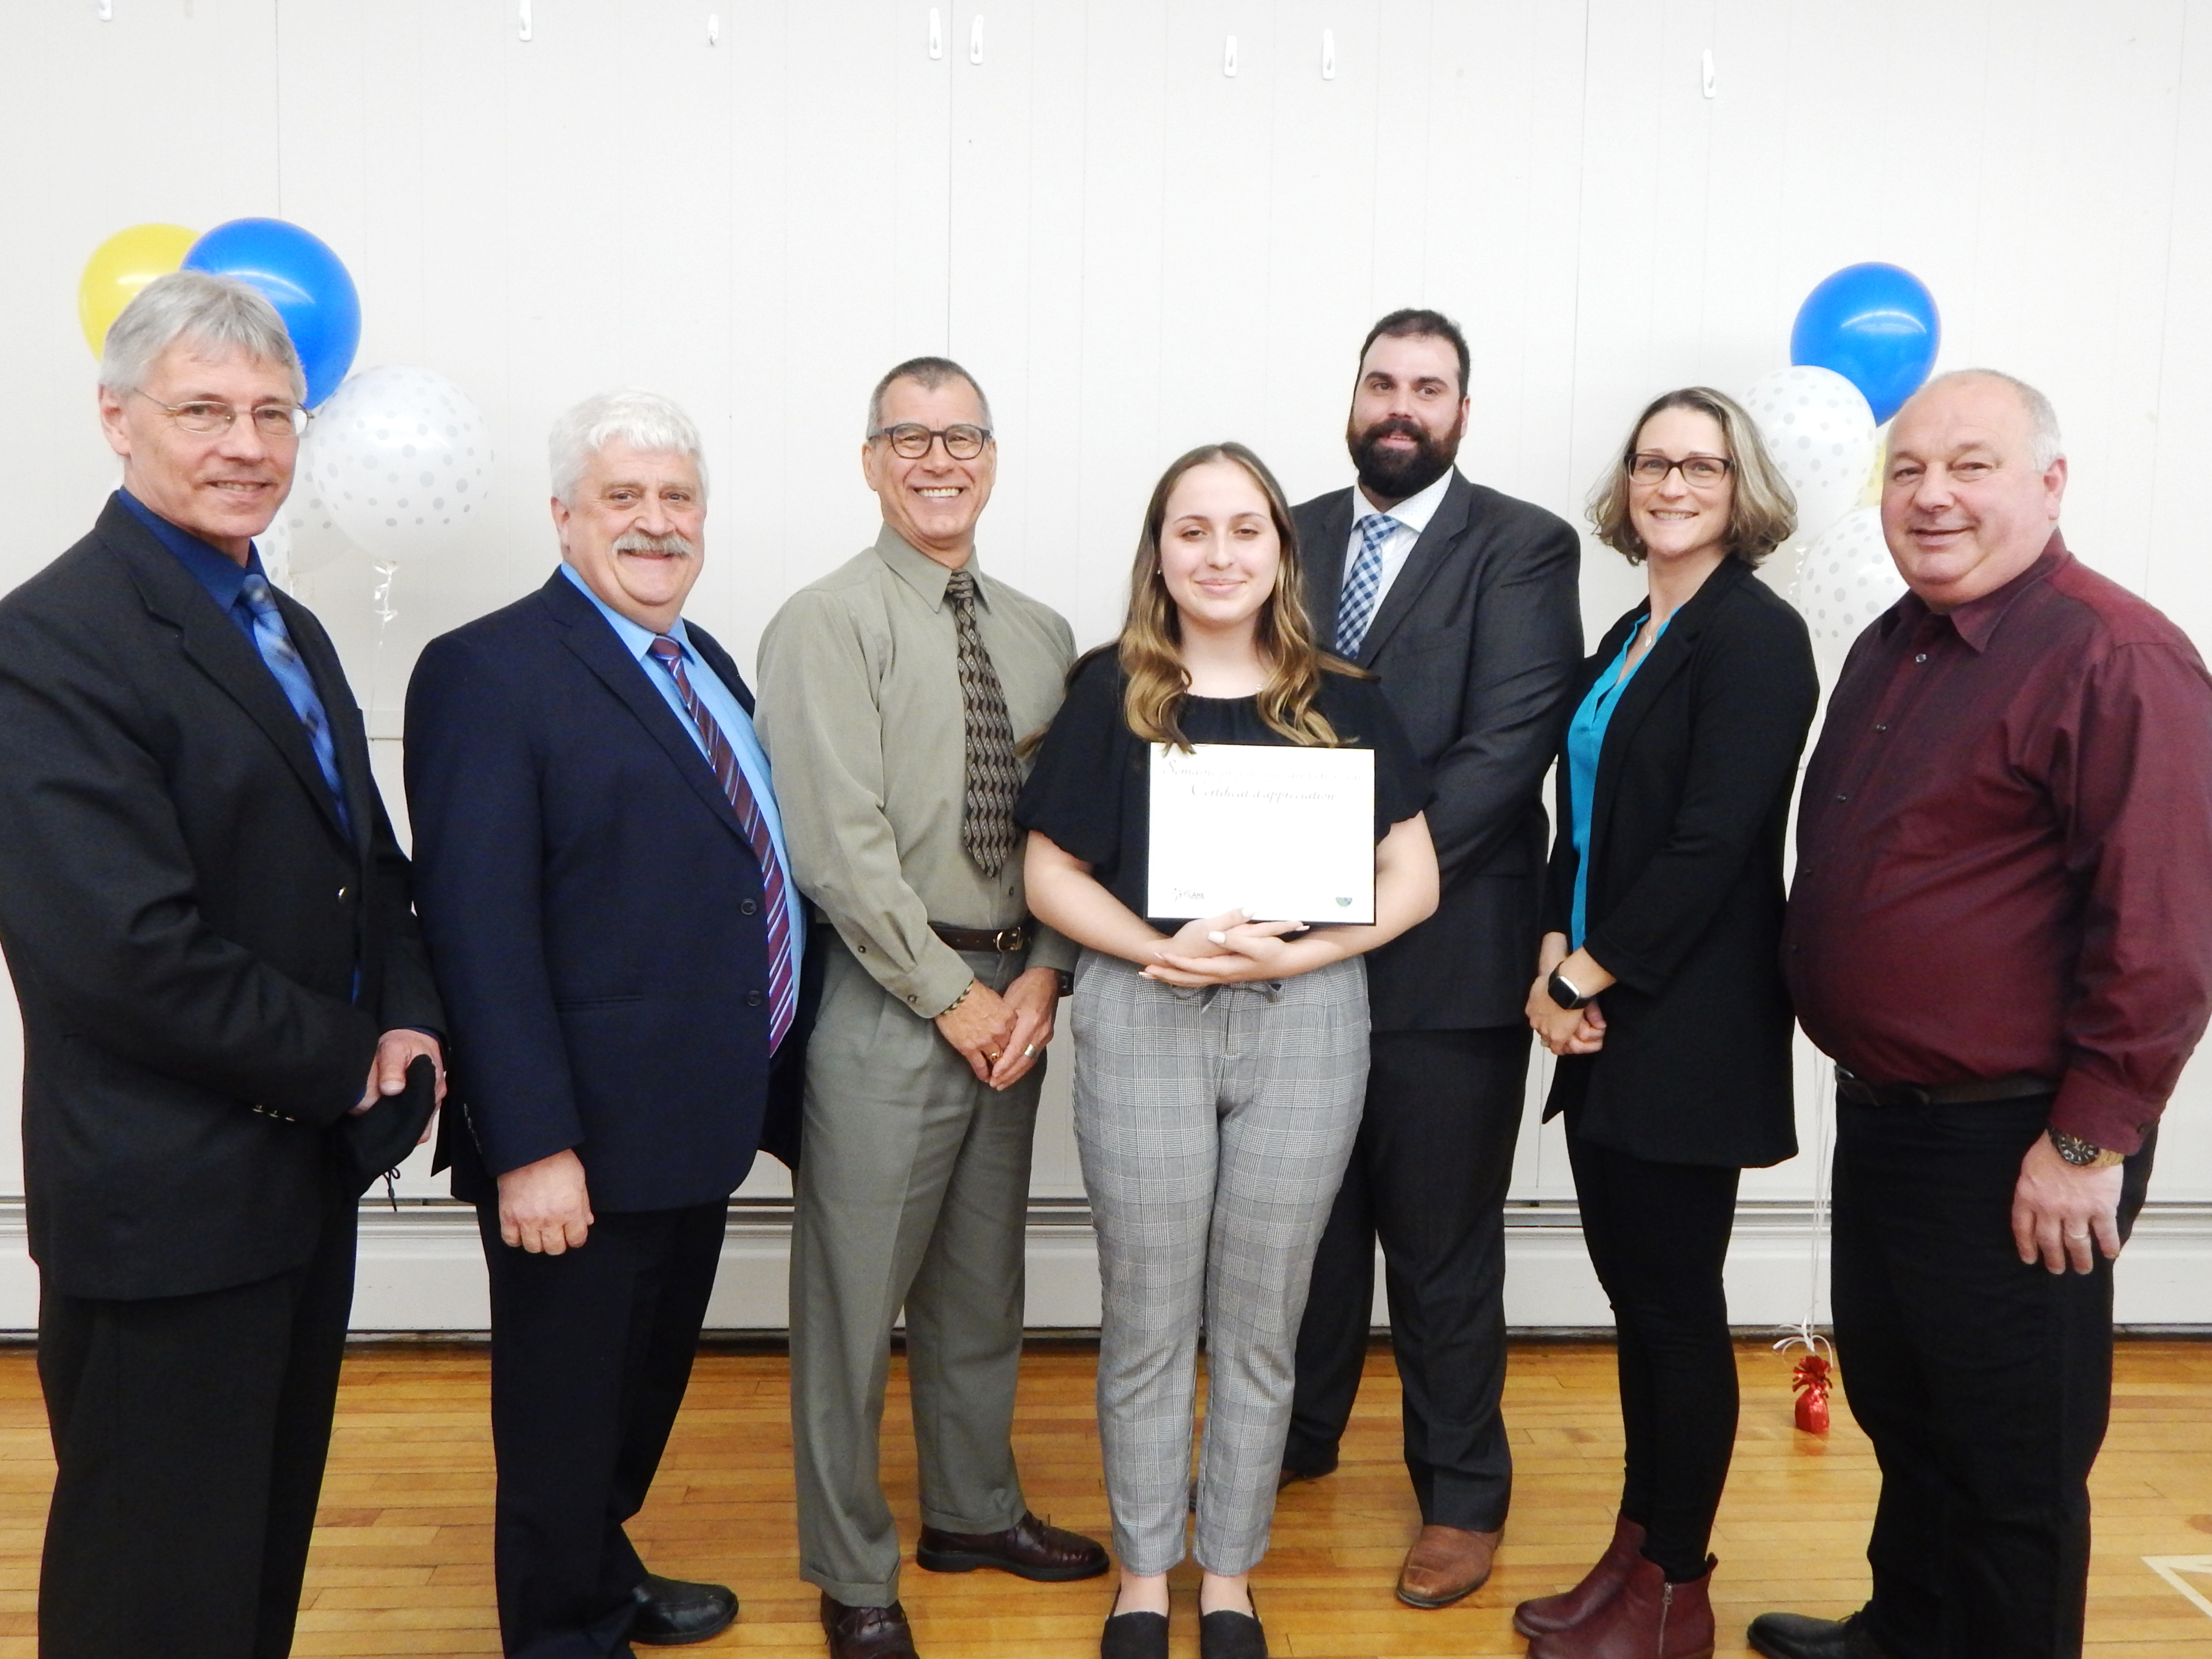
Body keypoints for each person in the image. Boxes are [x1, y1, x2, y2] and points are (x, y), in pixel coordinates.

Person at [0, 271, 445, 1659]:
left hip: (295, 1188)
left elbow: (369, 863)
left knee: (251, 1571)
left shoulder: (284, 624)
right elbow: (122, 954)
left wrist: (412, 1022)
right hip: (166, 1208)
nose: (246, 445)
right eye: (203, 411)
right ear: (117, 419)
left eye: (273, 413)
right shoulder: (48, 642)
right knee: (151, 1594)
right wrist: (349, 1057)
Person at [1755, 371, 2212, 1659]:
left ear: (2051, 485)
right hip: (1890, 1120)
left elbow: (2163, 930)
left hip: (2022, 1141)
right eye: (1907, 469)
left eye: (1971, 465)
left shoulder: (2116, 656)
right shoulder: (1891, 643)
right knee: (1909, 1415)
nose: (1932, 495)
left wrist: (2086, 1144)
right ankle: (1906, 1633)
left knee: (2013, 1465)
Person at [406, 390, 809, 1658]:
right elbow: (476, 927)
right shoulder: (488, 670)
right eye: (622, 497)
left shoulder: (706, 664)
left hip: (695, 1122)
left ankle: (601, 1571)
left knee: (632, 1403)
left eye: (677, 497)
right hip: (576, 1140)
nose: (655, 522)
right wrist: (530, 1143)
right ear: (564, 517)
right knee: (564, 1419)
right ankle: (560, 1628)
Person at [1022, 442, 1440, 1659]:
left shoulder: (1345, 698)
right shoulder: (1110, 692)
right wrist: (1162, 947)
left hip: (1307, 1024)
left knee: (1262, 1319)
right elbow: (1050, 873)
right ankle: (1144, 1576)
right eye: (1192, 530)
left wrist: (1295, 958)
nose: (1219, 554)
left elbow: (1414, 878)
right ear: (1159, 553)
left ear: (1279, 551)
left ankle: (1230, 1576)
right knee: (1149, 1313)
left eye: (1245, 529)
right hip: (1143, 1011)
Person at [755, 357, 1108, 1659]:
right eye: (909, 438)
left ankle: (971, 1510)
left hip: (1015, 996)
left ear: (994, 458)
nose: (938, 460)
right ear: (870, 462)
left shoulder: (1042, 633)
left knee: (979, 1285)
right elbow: (837, 848)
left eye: (963, 437)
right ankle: (853, 1567)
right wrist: (952, 996)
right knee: (854, 1306)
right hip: (891, 1000)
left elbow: (1066, 829)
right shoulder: (824, 623)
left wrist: (1045, 976)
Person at [1282, 307, 1584, 1606]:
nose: (1401, 406)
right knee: (1301, 1228)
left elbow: (1502, 755)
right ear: (1353, 399)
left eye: (1429, 387)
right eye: (1382, 383)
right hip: (1287, 956)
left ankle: (1462, 1497)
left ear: (1463, 411)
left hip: (1447, 958)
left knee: (1441, 1245)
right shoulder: (1284, 531)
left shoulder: (1522, 545)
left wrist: (1332, 883)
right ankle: (1296, 1436)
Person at [1514, 389, 1817, 1658]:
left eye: (1702, 465)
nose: (1673, 484)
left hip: (1686, 1026)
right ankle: (1633, 1556)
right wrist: (1550, 953)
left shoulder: (1757, 637)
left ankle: (1676, 1591)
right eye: (1653, 462)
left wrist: (1586, 979)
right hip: (1602, 1010)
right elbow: (1578, 825)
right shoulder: (1631, 631)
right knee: (1639, 1306)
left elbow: (1712, 844)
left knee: (1676, 1310)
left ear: (1742, 490)